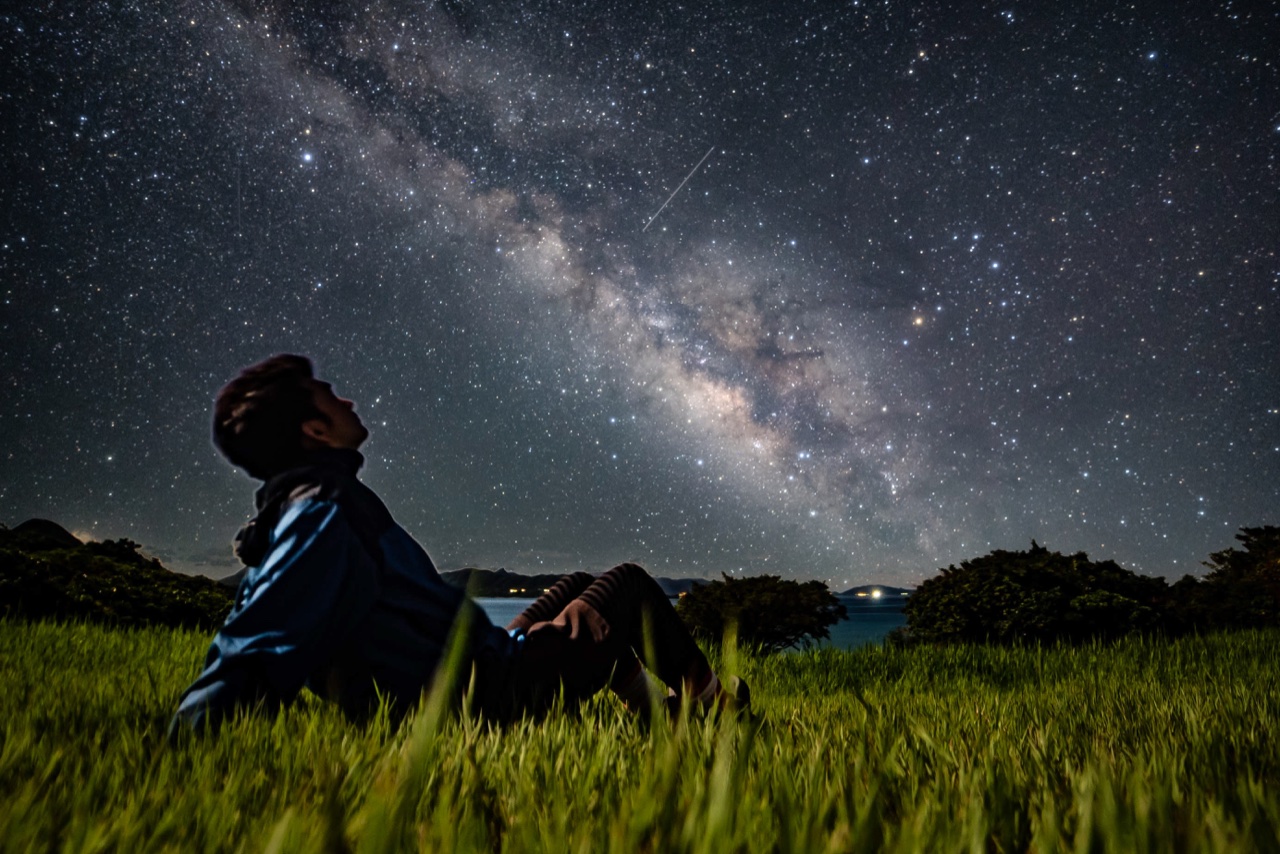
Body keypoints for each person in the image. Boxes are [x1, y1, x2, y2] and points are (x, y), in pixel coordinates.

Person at [170, 354, 746, 736]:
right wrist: (186, 742)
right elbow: (252, 645)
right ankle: (716, 708)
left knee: (573, 587)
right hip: (482, 697)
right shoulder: (325, 514)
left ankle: (654, 716)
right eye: (331, 398)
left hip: (472, 663)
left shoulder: (310, 509)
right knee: (628, 586)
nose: (346, 403)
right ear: (315, 430)